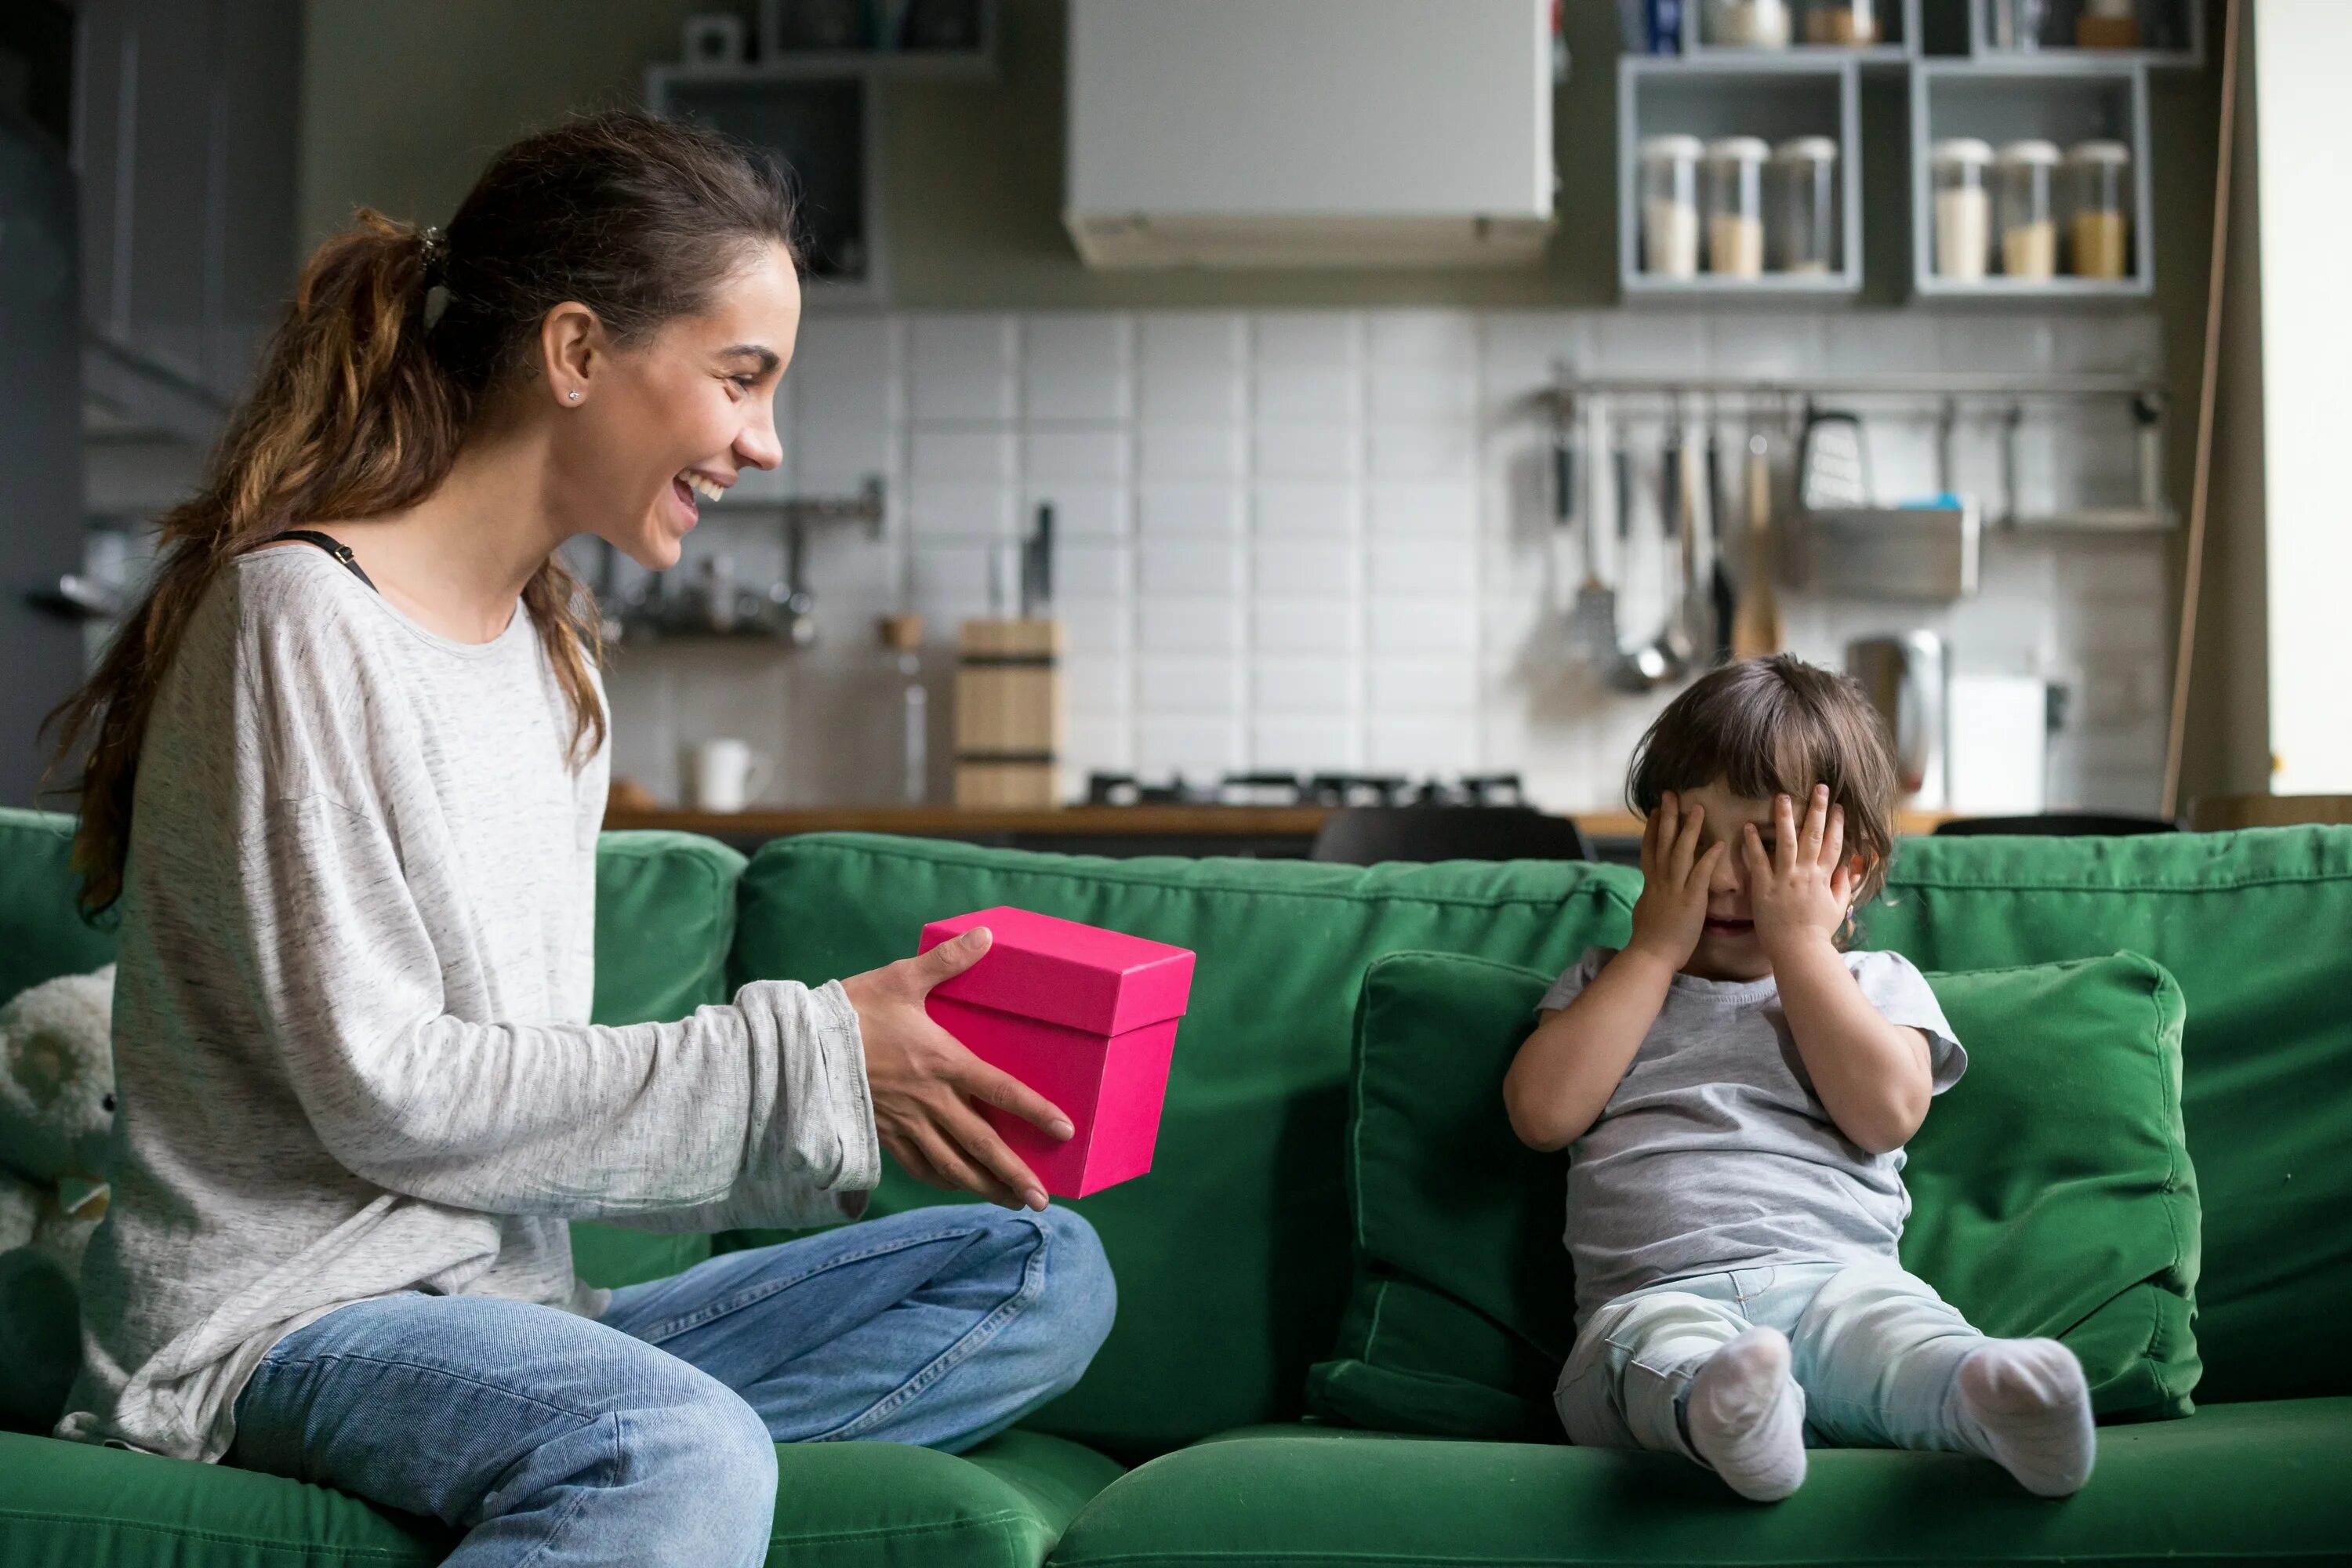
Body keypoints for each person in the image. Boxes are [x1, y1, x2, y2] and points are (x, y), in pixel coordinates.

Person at [42, 110, 1115, 1566]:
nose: (765, 441)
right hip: (291, 1313)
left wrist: (829, 1076)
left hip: (515, 1308)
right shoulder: (301, 619)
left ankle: (587, 1472)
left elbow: (505, 1111)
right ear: (575, 353)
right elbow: (388, 1091)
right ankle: (633, 1468)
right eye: (741, 379)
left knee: (1045, 1271)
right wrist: (806, 1057)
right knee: (672, 1443)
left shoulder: (561, 661)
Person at [1501, 655, 2093, 1502]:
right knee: (1651, 1356)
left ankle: (1996, 1399)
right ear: (1654, 849)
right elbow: (1542, 1112)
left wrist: (1802, 947)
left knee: (1900, 1339)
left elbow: (1888, 1112)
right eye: (1703, 842)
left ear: (1850, 871)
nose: (1736, 878)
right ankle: (1730, 1414)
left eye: (1774, 847)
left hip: (1838, 1285)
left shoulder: (1872, 984)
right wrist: (1657, 949)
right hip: (1653, 1298)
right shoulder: (1611, 982)